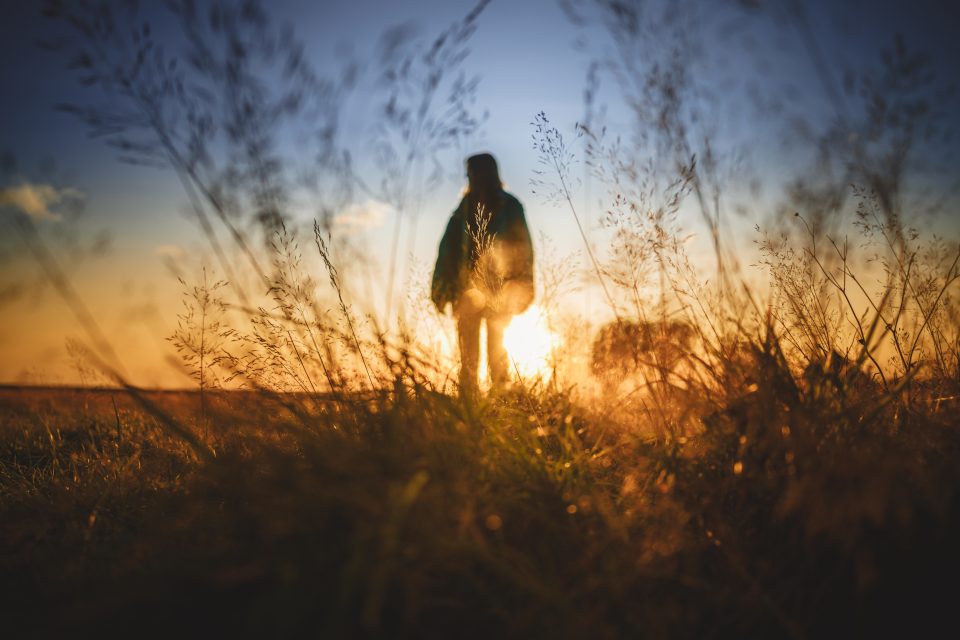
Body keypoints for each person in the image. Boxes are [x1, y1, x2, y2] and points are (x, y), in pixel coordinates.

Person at [431, 153, 534, 395]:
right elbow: (447, 251)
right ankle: (470, 410)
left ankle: (502, 405)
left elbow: (524, 248)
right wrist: (441, 289)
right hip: (466, 292)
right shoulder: (462, 210)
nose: (471, 177)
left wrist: (523, 287)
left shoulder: (511, 207)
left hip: (502, 290)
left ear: (488, 173)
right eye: (469, 173)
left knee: (497, 352)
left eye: (474, 172)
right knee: (468, 359)